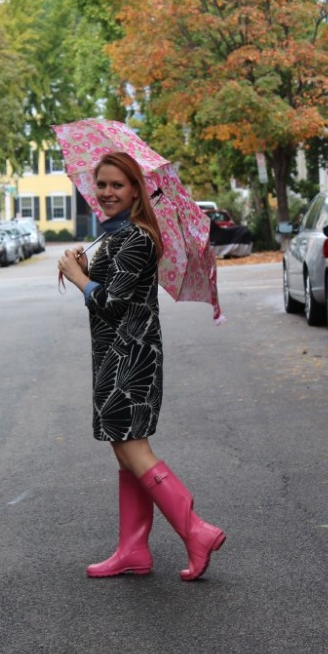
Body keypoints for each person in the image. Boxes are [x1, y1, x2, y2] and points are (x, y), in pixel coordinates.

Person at [58, 151, 226, 581]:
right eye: (102, 185)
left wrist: (80, 279)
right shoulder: (116, 238)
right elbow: (110, 293)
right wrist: (85, 268)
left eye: (118, 185)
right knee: (124, 452)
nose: (108, 193)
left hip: (131, 363)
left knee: (135, 449)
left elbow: (111, 304)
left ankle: (195, 530)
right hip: (115, 358)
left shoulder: (137, 238)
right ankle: (133, 549)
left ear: (135, 189)